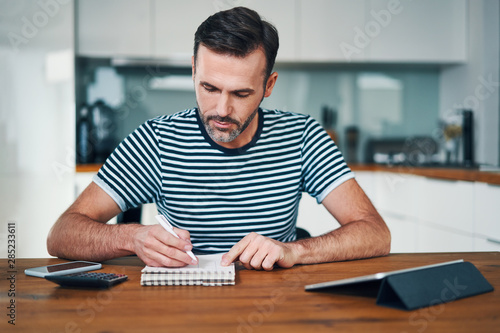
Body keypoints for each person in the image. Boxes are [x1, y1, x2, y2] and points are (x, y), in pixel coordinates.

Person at [47, 7, 390, 271]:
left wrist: (295, 250)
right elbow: (61, 234)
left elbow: (375, 232)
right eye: (209, 88)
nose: (222, 109)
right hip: (183, 306)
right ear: (194, 69)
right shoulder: (156, 140)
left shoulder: (301, 137)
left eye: (241, 93)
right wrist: (133, 237)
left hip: (275, 306)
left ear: (268, 86)